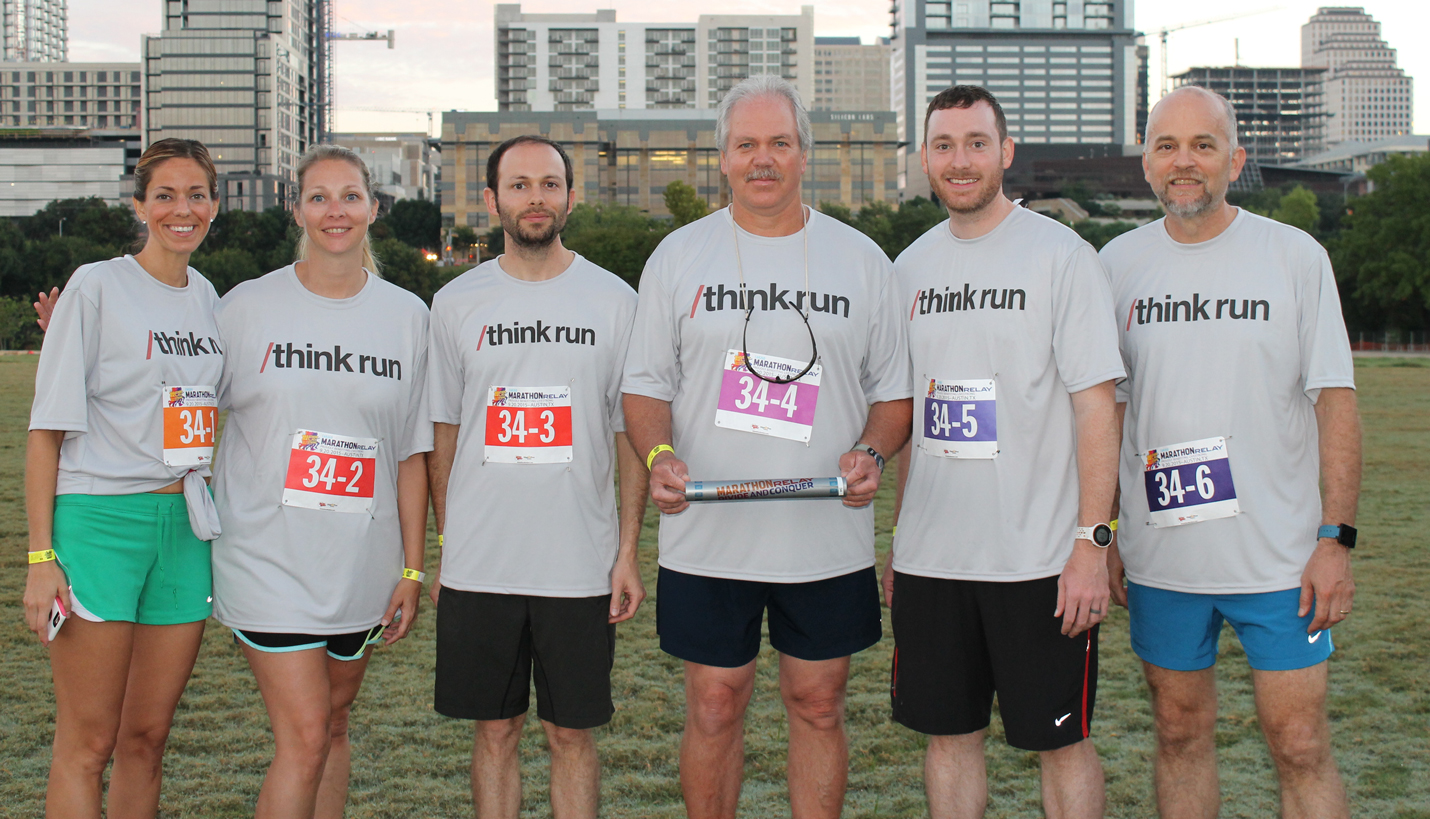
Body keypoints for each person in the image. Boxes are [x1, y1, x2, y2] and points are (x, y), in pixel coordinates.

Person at [621, 75, 912, 819]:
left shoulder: (859, 259)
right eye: (746, 144)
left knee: (818, 703)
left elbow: (896, 393)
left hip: (822, 536)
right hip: (710, 536)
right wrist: (660, 459)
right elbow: (644, 386)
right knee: (715, 703)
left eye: (779, 143)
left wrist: (872, 454)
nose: (763, 159)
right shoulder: (679, 257)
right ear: (721, 157)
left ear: (803, 154)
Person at [1101, 86, 1360, 818]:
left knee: (1301, 740)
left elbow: (1336, 404)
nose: (1184, 162)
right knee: (1179, 733)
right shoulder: (1113, 265)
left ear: (1235, 160)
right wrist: (1104, 535)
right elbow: (1105, 414)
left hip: (1281, 562)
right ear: (1146, 164)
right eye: (1167, 146)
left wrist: (1336, 539)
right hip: (1164, 561)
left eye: (1203, 146)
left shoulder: (1293, 256)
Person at [886, 86, 1124, 819]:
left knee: (1061, 742)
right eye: (946, 145)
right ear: (926, 159)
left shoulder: (1061, 255)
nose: (961, 161)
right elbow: (911, 417)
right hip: (933, 560)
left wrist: (1092, 541)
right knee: (949, 739)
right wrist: (900, 541)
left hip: (1040, 563)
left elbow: (1097, 406)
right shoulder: (907, 269)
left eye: (977, 143)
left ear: (1006, 152)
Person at [426, 135, 647, 818]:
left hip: (578, 562)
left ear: (571, 197)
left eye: (549, 184)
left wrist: (628, 551)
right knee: (495, 730)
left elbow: (630, 434)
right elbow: (442, 433)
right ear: (493, 200)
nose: (536, 198)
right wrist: (447, 545)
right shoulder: (457, 303)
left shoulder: (613, 300)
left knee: (570, 732)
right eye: (519, 185)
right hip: (482, 562)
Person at [209, 144, 432, 819]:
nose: (336, 211)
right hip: (268, 558)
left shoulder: (407, 316)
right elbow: (179, 399)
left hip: (361, 565)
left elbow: (410, 454)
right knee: (304, 736)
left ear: (372, 207)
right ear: (298, 209)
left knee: (333, 726)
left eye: (350, 196)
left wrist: (413, 569)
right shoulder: (246, 307)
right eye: (319, 197)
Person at [24, 138, 224, 818]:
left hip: (184, 529)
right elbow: (46, 432)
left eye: (196, 193)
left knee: (147, 736)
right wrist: (41, 556)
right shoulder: (98, 283)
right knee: (89, 740)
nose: (182, 208)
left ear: (215, 205)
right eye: (165, 194)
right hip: (102, 523)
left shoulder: (208, 298)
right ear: (139, 205)